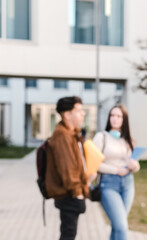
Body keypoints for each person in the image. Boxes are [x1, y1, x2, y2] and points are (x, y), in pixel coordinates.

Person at [46, 96, 94, 240]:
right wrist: (77, 192)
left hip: (71, 193)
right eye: (78, 110)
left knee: (69, 233)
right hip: (69, 195)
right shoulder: (62, 136)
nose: (83, 114)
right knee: (68, 235)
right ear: (67, 114)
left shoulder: (71, 133)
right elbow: (67, 169)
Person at [92, 105, 140, 240]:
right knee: (121, 227)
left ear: (124, 119)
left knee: (117, 226)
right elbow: (94, 164)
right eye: (112, 115)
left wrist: (134, 166)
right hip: (108, 184)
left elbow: (134, 165)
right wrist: (116, 170)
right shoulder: (101, 137)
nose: (115, 119)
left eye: (119, 116)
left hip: (128, 184)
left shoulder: (129, 140)